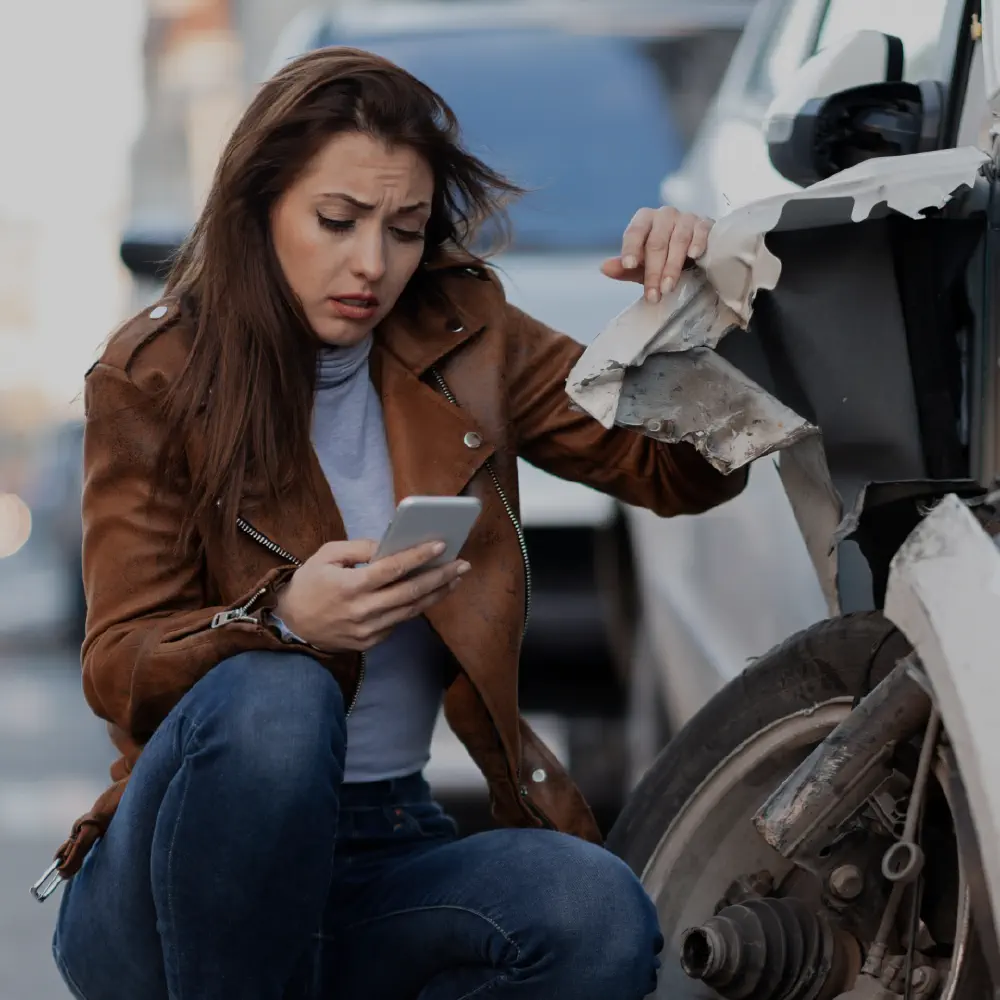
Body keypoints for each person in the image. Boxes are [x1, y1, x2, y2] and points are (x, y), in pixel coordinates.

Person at [47, 47, 744, 1000]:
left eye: (405, 230)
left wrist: (694, 311)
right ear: (259, 211)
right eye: (336, 221)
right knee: (279, 701)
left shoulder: (465, 332)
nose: (371, 264)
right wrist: (287, 619)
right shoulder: (157, 371)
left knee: (593, 913)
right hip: (174, 881)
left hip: (383, 848)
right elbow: (116, 662)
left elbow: (675, 473)